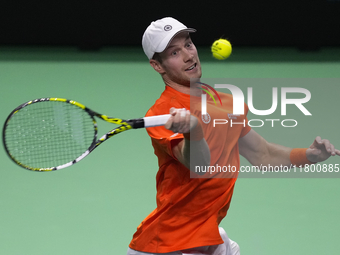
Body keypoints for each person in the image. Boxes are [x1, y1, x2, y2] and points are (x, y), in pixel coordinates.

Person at [127, 17, 340, 255]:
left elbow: (263, 155)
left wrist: (308, 155)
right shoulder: (162, 113)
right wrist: (192, 131)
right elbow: (199, 164)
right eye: (175, 52)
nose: (189, 55)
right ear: (158, 65)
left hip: (208, 238)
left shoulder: (224, 102)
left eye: (188, 44)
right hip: (168, 245)